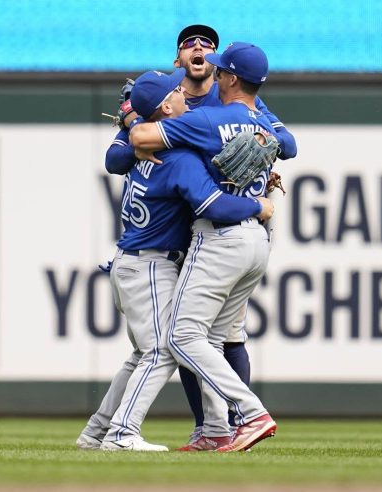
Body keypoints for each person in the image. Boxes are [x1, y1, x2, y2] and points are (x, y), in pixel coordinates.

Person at [103, 24, 296, 446]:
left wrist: (137, 122)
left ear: (222, 70)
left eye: (208, 44)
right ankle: (211, 429)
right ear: (178, 60)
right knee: (200, 336)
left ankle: (238, 419)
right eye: (189, 43)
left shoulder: (214, 107)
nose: (199, 48)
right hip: (203, 228)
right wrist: (134, 121)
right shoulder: (165, 94)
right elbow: (118, 154)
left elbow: (289, 142)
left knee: (202, 336)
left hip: (219, 226)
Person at [76, 67, 274, 452]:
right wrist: (258, 204)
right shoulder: (178, 157)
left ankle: (96, 432)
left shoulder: (142, 147)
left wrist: (132, 119)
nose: (186, 92)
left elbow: (123, 147)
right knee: (164, 349)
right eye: (178, 90)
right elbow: (211, 203)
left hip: (135, 262)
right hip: (150, 264)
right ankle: (121, 434)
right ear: (167, 105)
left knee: (142, 355)